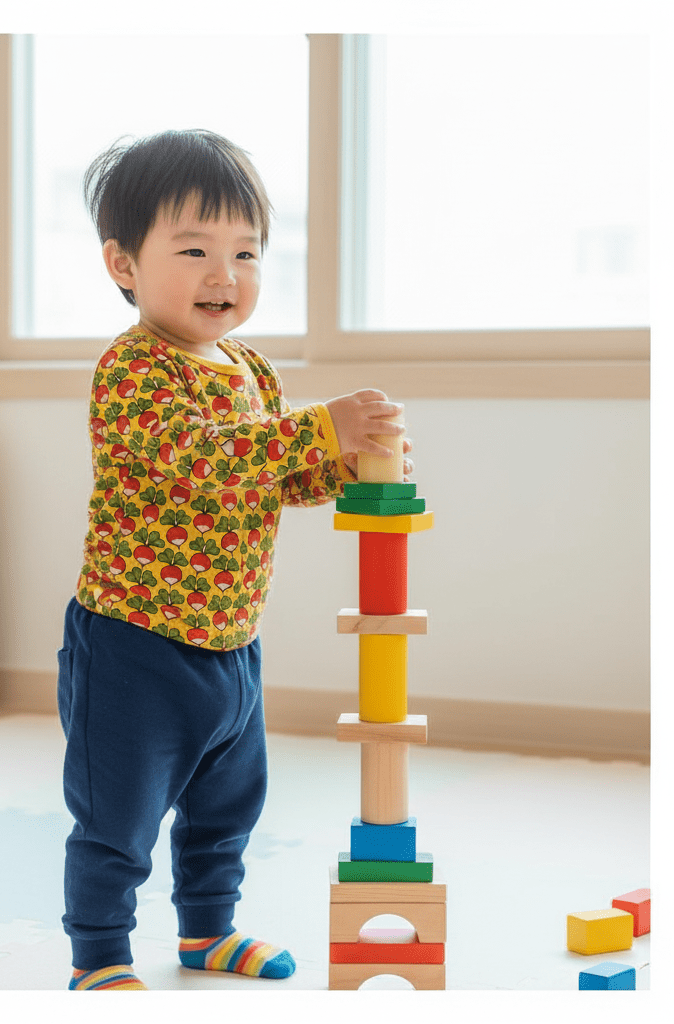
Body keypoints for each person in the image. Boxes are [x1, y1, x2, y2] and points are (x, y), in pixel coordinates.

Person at [58, 129, 412, 991]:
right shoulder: (134, 371)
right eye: (194, 250)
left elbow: (271, 475)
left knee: (226, 808)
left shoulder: (247, 365)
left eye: (247, 252)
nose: (227, 275)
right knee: (119, 819)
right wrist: (321, 425)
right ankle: (99, 955)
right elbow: (210, 459)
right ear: (123, 263)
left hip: (229, 642)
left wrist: (354, 464)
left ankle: (206, 932)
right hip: (134, 641)